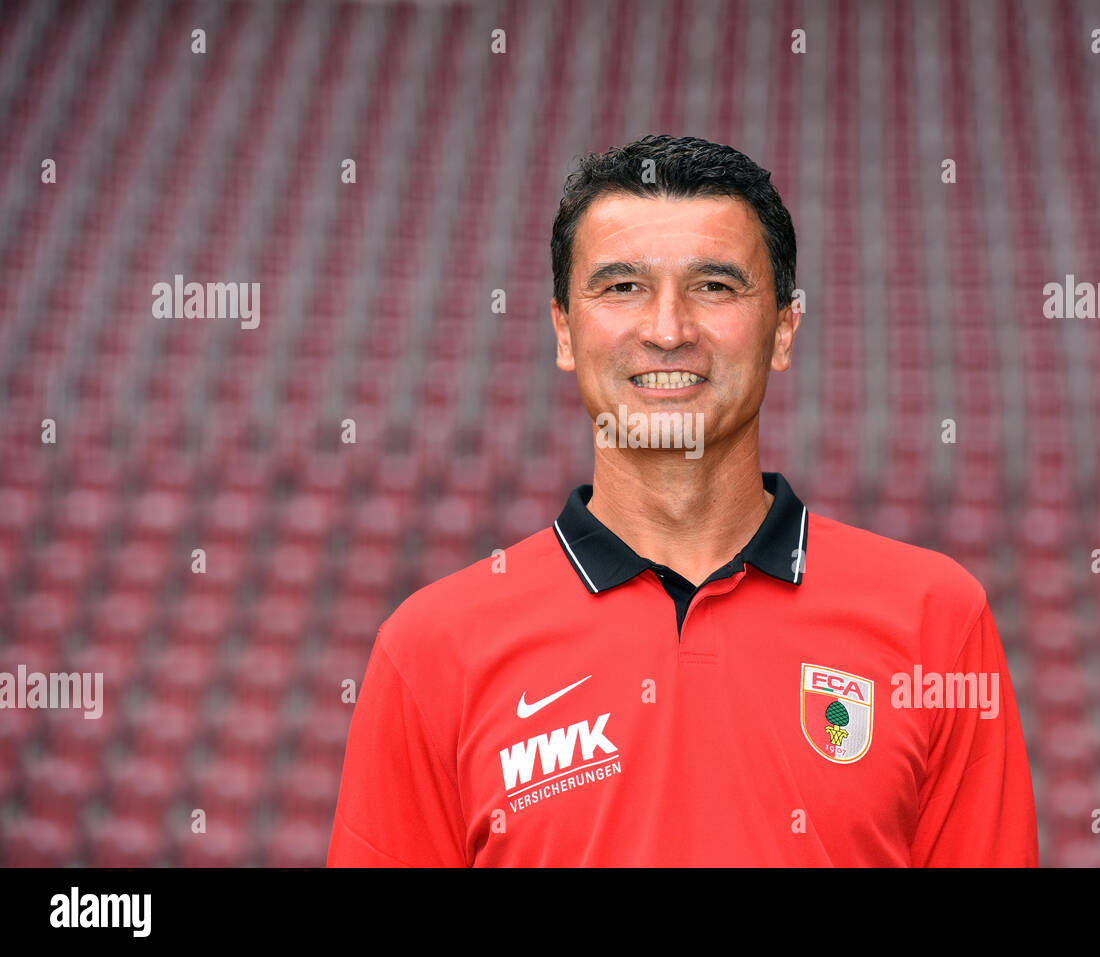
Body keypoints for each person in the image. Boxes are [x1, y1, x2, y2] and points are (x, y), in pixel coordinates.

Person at [327, 134, 1038, 866]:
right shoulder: (430, 649)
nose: (668, 330)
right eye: (622, 287)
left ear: (784, 330)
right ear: (564, 330)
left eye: (715, 286)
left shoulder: (937, 621)